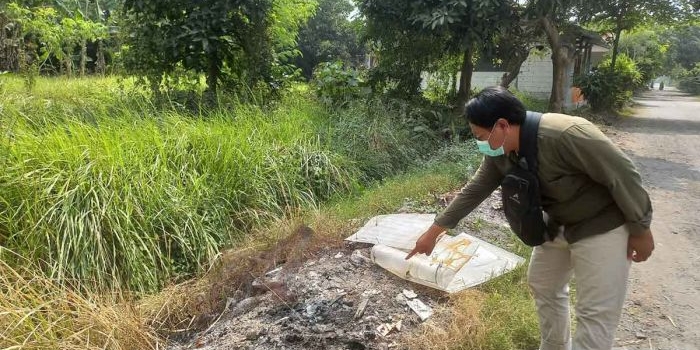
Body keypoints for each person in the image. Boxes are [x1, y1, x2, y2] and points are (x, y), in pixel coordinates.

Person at [406, 86, 654, 350]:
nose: (479, 143)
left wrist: (641, 229)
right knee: (543, 283)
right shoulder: (500, 152)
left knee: (595, 313)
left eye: (480, 136)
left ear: (502, 125)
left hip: (602, 226)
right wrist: (433, 233)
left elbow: (624, 175)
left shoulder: (566, 134)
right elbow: (476, 188)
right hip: (557, 224)